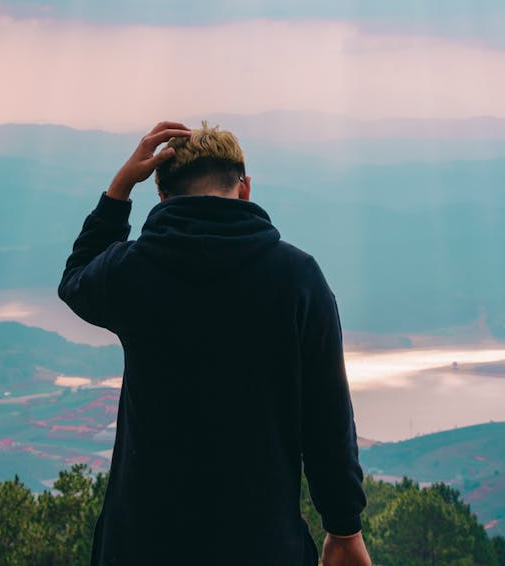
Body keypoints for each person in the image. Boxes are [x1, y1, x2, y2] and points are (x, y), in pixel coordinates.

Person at [59, 120, 371, 566]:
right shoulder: (297, 278)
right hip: (262, 542)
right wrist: (343, 530)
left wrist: (120, 188)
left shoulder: (131, 270)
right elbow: (327, 418)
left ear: (163, 196)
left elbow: (76, 279)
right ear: (245, 189)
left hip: (142, 542)